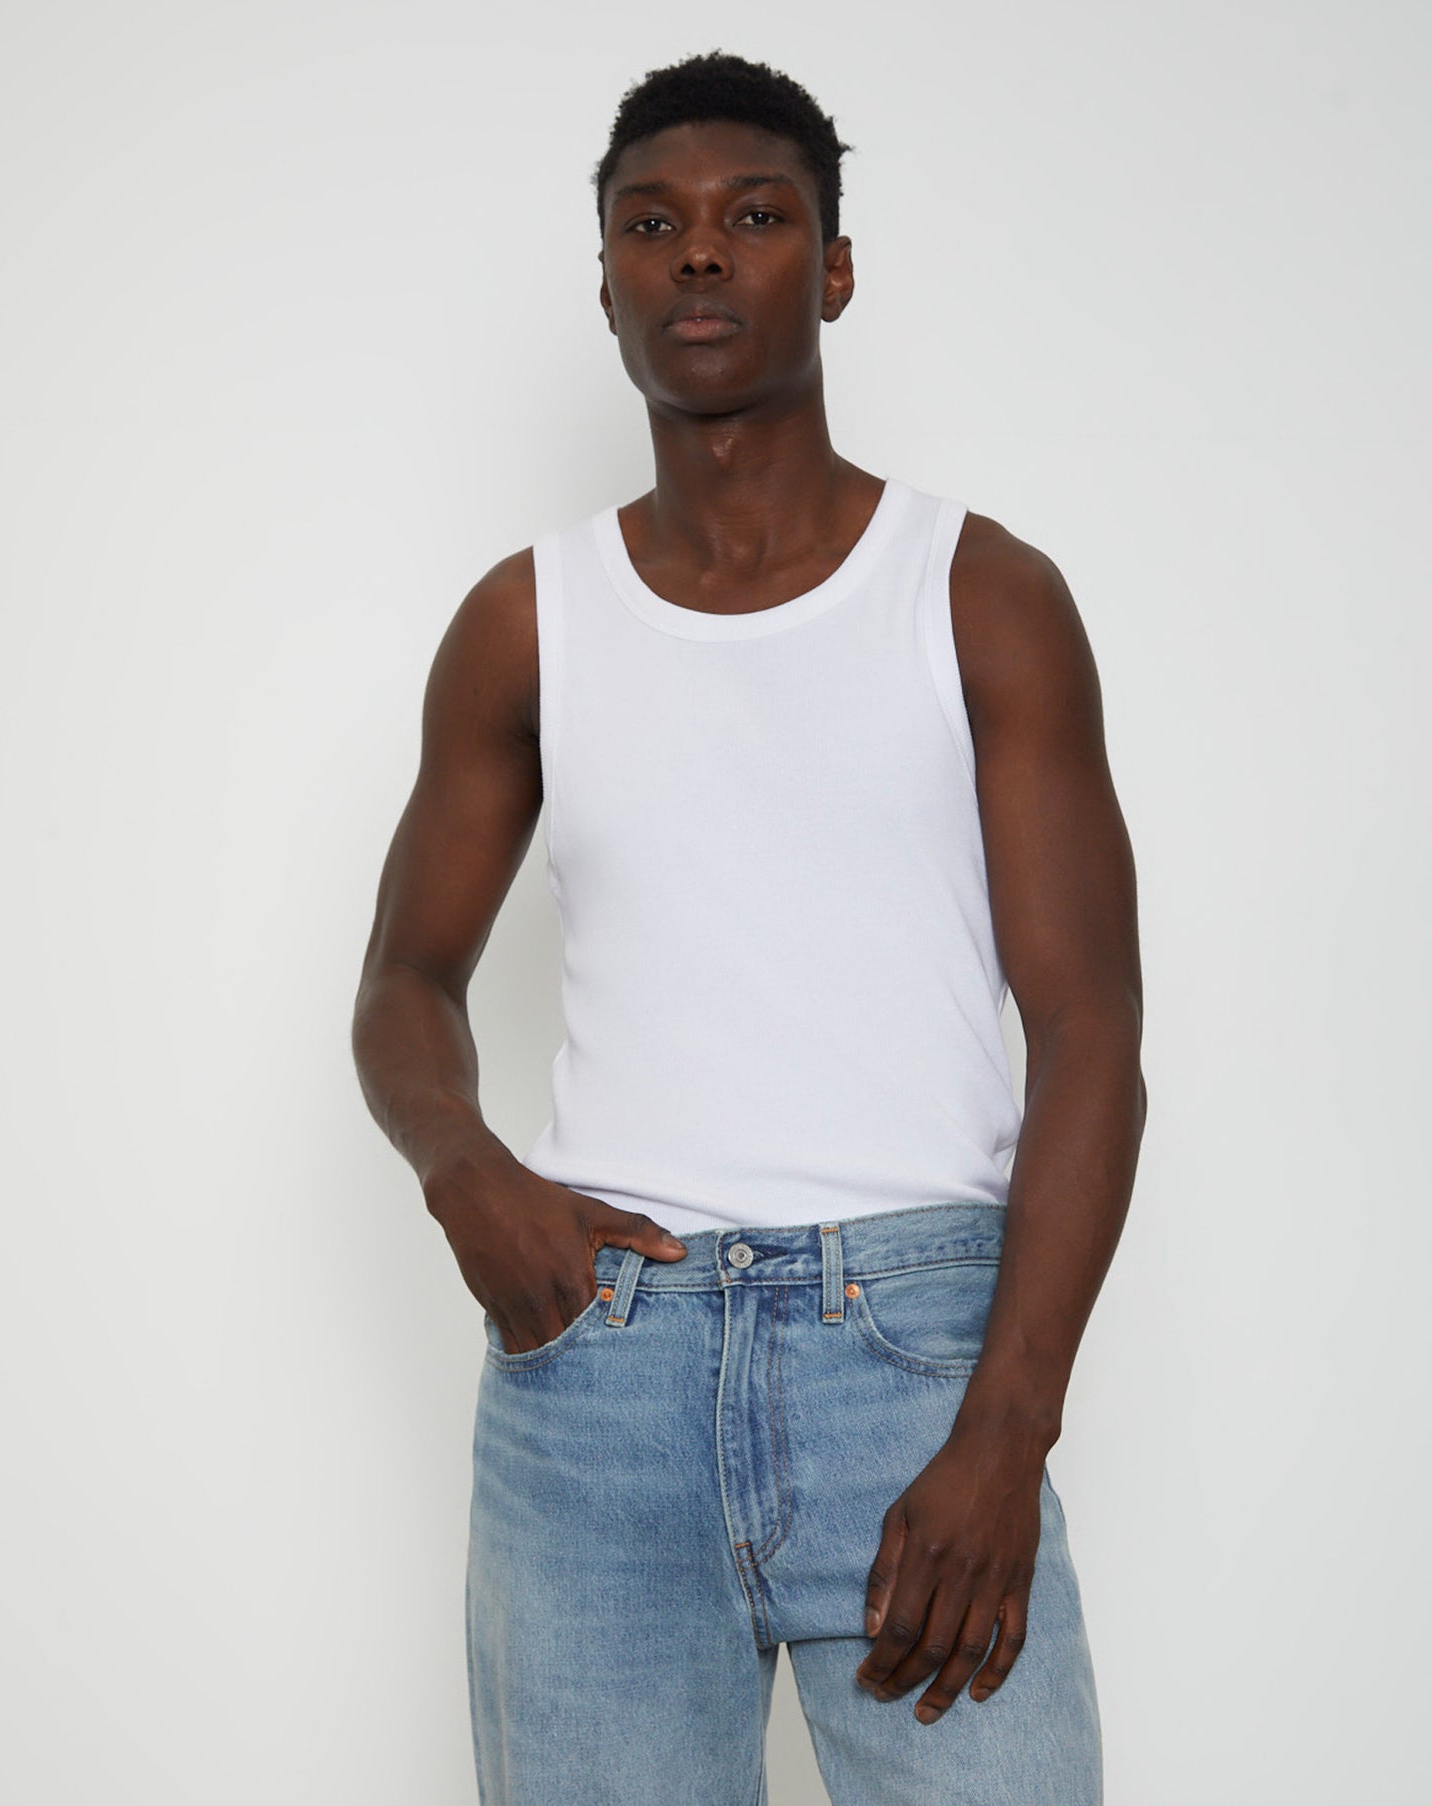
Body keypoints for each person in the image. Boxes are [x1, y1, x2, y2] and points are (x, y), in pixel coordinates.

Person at [352, 49, 1146, 1806]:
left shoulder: (978, 594)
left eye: (754, 218)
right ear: (608, 288)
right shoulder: (527, 621)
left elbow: (1091, 1028)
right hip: (599, 1370)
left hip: (915, 1361)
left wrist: (1006, 1422)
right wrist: (465, 1171)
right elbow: (404, 975)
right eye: (651, 227)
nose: (697, 253)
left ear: (832, 270)